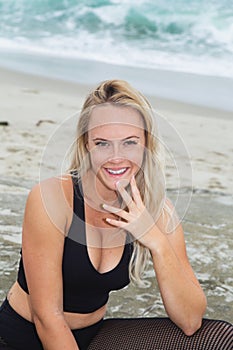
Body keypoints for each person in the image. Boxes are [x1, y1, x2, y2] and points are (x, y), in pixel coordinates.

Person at [0, 80, 207, 350]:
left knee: (221, 336)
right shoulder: (51, 198)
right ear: (86, 144)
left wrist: (155, 240)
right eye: (103, 143)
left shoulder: (157, 210)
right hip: (24, 338)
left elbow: (190, 320)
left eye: (130, 142)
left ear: (146, 144)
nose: (116, 157)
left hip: (96, 337)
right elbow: (47, 318)